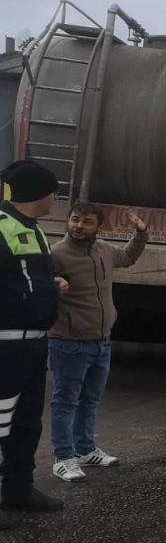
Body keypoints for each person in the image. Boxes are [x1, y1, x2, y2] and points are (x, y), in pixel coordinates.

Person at [48, 202, 147, 482]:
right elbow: (40, 282)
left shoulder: (103, 250)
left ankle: (85, 450)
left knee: (90, 400)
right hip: (68, 341)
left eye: (86, 222)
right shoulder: (56, 253)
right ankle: (63, 458)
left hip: (101, 341)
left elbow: (128, 257)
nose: (78, 226)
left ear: (98, 226)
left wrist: (141, 233)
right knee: (65, 401)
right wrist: (54, 283)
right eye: (75, 220)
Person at [0, 160, 67, 521]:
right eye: (54, 192)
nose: (56, 198)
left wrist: (51, 287)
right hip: (5, 344)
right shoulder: (1, 226)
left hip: (34, 343)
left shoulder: (35, 229)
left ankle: (18, 489)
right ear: (42, 193)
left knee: (26, 423)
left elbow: (27, 277)